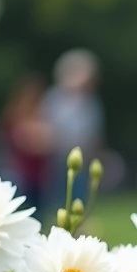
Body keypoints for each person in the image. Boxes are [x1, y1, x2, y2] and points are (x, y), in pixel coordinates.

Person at [43, 48, 104, 205]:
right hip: (57, 157)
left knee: (79, 197)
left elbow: (94, 132)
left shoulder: (90, 102)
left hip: (84, 157)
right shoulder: (55, 98)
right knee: (59, 197)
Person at [0, 74, 53, 215]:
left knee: (37, 211)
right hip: (20, 172)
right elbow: (28, 143)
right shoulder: (17, 117)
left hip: (38, 174)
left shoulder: (41, 116)